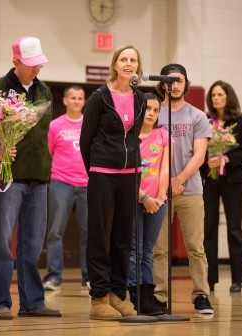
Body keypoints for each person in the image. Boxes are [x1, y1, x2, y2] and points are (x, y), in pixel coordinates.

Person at [0, 36, 61, 319]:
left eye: (39, 64)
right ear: (15, 61)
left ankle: (33, 303)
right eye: (30, 65)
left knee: (32, 243)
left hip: (39, 176)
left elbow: (44, 135)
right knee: (3, 241)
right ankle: (1, 303)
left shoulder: (45, 92)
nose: (36, 69)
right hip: (9, 177)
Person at [80, 45, 146, 320]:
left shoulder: (141, 98)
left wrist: (133, 168)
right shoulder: (99, 97)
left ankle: (118, 294)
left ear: (137, 67)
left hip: (129, 174)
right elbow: (86, 139)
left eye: (133, 60)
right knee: (99, 235)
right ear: (115, 65)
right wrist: (94, 170)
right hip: (101, 172)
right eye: (124, 59)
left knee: (123, 236)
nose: (128, 63)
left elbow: (134, 138)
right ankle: (99, 297)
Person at [152, 63, 214, 314]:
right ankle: (159, 297)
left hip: (190, 190)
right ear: (162, 84)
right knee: (159, 249)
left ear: (186, 83)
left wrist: (179, 179)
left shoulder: (197, 115)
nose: (174, 85)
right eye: (170, 81)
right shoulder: (154, 113)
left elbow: (200, 155)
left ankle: (201, 296)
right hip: (158, 192)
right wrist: (164, 183)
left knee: (196, 248)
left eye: (179, 81)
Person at [200, 80, 242, 293]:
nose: (215, 98)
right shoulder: (204, 120)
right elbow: (197, 148)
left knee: (234, 228)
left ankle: (237, 280)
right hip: (210, 179)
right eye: (213, 95)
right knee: (209, 229)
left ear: (228, 96)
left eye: (220, 95)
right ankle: (210, 279)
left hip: (233, 180)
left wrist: (225, 159)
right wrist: (207, 159)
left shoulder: (241, 121)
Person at [127, 93, 172, 316]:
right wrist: (144, 197)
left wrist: (161, 197)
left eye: (156, 110)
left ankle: (147, 294)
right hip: (136, 199)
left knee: (147, 251)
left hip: (158, 201)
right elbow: (126, 174)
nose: (152, 114)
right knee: (134, 251)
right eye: (148, 109)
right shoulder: (130, 136)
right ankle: (135, 294)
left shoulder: (163, 135)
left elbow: (165, 168)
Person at [42, 85, 89, 291]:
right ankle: (54, 276)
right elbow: (48, 153)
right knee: (55, 232)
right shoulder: (55, 125)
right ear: (65, 101)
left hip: (88, 184)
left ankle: (89, 277)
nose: (76, 101)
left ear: (83, 101)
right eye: (73, 98)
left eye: (80, 98)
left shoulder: (90, 124)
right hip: (61, 183)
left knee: (88, 232)